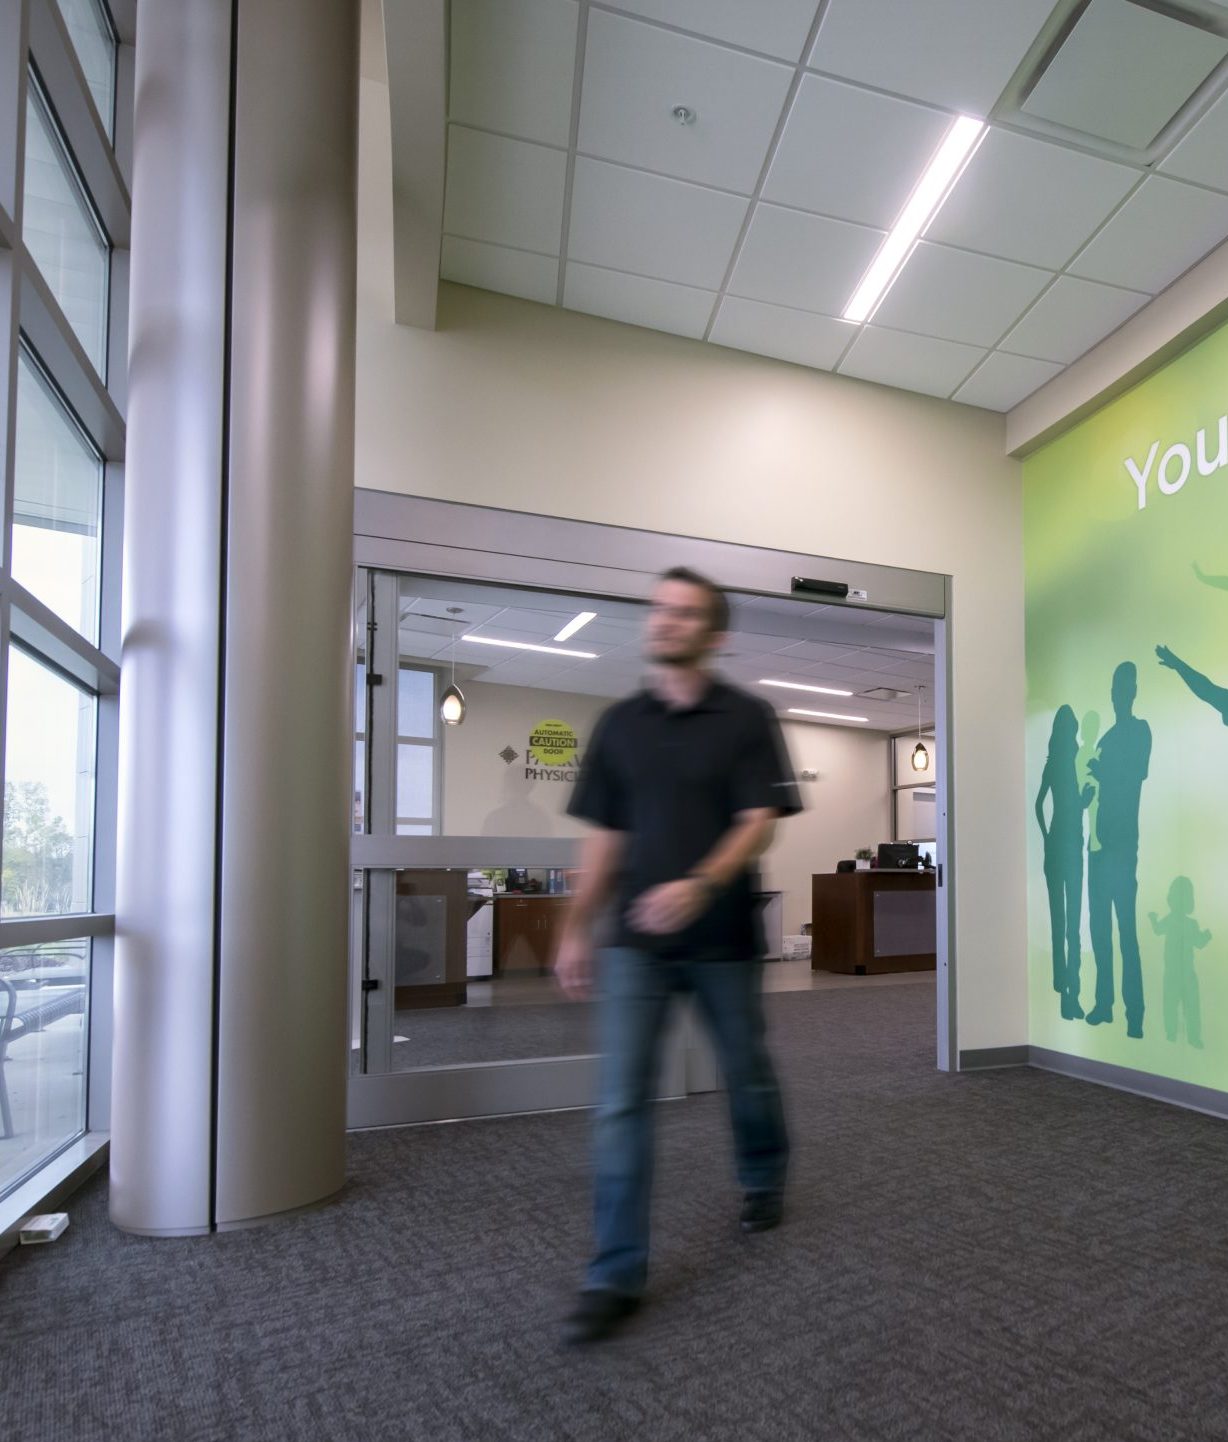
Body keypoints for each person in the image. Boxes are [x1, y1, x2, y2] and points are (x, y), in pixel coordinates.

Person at [555, 567, 801, 1345]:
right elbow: (606, 837)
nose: (665, 623)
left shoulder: (747, 717)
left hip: (723, 938)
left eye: (685, 614)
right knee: (621, 1100)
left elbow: (759, 820)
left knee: (746, 1071)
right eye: (660, 611)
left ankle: (762, 1175)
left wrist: (700, 885)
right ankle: (613, 1273)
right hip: (636, 942)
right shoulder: (619, 725)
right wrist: (574, 925)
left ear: (714, 633)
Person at [1085, 662, 1151, 1039]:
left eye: (1124, 688)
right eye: (1114, 688)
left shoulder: (1139, 731)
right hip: (1098, 845)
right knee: (1099, 930)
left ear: (1133, 692)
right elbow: (1095, 792)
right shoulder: (1106, 739)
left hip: (1123, 845)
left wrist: (1102, 772)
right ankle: (1105, 1004)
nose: (1118, 694)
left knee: (1126, 931)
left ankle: (1135, 1013)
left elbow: (1135, 775)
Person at [1034, 706, 1094, 1020]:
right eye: (1073, 729)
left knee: (1062, 920)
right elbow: (1049, 805)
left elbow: (1039, 804)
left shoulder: (1055, 764)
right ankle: (1070, 987)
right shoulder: (1066, 764)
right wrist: (1083, 801)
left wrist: (1046, 836)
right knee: (1070, 923)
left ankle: (1064, 984)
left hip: (1057, 844)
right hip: (1068, 846)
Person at [1150, 877, 1212, 1049]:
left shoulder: (1181, 922)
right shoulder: (1187, 923)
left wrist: (1153, 919)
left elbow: (1158, 930)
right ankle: (1180, 1035)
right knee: (1181, 1005)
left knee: (1182, 1005)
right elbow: (1199, 942)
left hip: (1181, 972)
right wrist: (1206, 936)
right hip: (1179, 972)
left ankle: (1181, 1035)